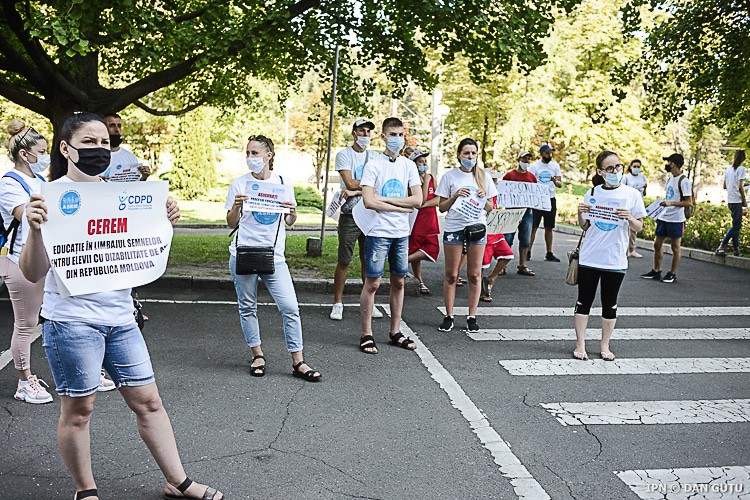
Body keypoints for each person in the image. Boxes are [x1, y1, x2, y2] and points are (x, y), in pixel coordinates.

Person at [19, 112, 223, 500]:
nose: (99, 150)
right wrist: (34, 228)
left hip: (121, 319)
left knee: (149, 402)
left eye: (104, 143)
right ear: (66, 148)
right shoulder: (50, 197)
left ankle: (178, 482)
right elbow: (32, 273)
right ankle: (86, 490)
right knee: (79, 411)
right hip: (72, 322)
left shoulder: (120, 196)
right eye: (88, 143)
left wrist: (165, 218)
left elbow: (140, 249)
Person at [226, 134, 321, 382]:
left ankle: (298, 360)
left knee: (290, 307)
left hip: (274, 256)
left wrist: (293, 212)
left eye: (255, 153)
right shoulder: (239, 184)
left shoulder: (282, 183)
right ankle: (257, 354)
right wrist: (236, 206)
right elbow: (230, 222)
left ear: (269, 155)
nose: (250, 158)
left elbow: (289, 221)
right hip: (244, 253)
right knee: (247, 306)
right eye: (247, 153)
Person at [357, 117, 422, 354]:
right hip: (378, 232)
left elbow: (418, 200)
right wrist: (400, 207)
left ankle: (395, 331)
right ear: (383, 137)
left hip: (401, 233)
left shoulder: (409, 165)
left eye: (400, 134)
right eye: (392, 135)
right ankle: (366, 334)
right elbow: (368, 201)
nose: (397, 139)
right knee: (373, 282)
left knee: (399, 280)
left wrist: (384, 199)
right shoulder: (373, 164)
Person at [574, 151, 646, 361]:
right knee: (583, 302)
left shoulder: (631, 194)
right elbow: (585, 226)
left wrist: (629, 217)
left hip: (614, 258)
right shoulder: (593, 192)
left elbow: (639, 227)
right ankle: (580, 344)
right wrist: (580, 213)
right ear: (600, 172)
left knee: (610, 303)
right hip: (590, 256)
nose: (615, 171)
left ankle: (605, 345)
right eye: (610, 168)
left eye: (618, 167)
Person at [0, 119, 53, 404]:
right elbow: (28, 217)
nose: (44, 157)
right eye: (41, 151)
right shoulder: (9, 183)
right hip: (20, 260)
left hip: (45, 258)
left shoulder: (40, 181)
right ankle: (24, 382)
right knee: (26, 324)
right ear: (24, 154)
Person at [436, 138, 497, 333]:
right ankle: (449, 315)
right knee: (452, 274)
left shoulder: (483, 177)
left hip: (476, 227)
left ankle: (472, 315)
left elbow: (491, 207)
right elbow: (442, 207)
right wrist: (455, 196)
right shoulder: (449, 177)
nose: (470, 157)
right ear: (458, 155)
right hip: (454, 228)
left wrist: (482, 197)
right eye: (466, 153)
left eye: (473, 153)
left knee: (474, 274)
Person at [329, 119, 383, 321]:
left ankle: (369, 302)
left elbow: (378, 183)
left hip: (370, 212)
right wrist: (365, 186)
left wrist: (356, 190)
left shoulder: (375, 156)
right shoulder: (344, 155)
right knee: (344, 259)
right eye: (362, 131)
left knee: (368, 261)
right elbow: (349, 181)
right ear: (353, 133)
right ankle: (338, 303)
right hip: (349, 214)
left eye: (369, 132)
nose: (365, 135)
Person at [641, 153, 692, 283]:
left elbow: (688, 202)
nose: (667, 165)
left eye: (668, 162)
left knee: (675, 247)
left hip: (676, 219)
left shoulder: (684, 181)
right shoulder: (670, 179)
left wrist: (671, 203)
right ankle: (656, 271)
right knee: (657, 244)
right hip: (664, 217)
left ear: (673, 163)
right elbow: (669, 197)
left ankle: (672, 273)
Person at [407, 150, 440, 294]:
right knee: (415, 250)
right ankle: (419, 280)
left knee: (432, 249)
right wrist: (425, 182)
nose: (424, 164)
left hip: (430, 221)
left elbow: (439, 198)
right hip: (416, 222)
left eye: (425, 162)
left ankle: (401, 262)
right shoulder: (412, 180)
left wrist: (424, 205)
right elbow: (422, 198)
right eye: (420, 162)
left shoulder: (431, 177)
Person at [480, 171, 514, 302]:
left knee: (508, 255)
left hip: (496, 232)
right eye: (492, 180)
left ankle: (491, 279)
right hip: (485, 233)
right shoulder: (482, 193)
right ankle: (481, 289)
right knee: (483, 264)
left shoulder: (495, 195)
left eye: (495, 180)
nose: (495, 182)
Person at [502, 151, 537, 277]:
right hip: (511, 211)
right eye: (524, 158)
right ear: (519, 159)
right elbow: (503, 192)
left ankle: (522, 265)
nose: (527, 161)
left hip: (527, 212)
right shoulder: (509, 175)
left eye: (529, 159)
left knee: (525, 239)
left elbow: (535, 195)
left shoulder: (532, 177)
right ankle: (502, 265)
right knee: (508, 238)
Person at [529, 144, 562, 262]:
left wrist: (554, 180)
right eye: (547, 153)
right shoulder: (534, 166)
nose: (549, 155)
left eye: (550, 153)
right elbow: (530, 182)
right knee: (533, 226)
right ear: (541, 154)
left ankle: (549, 252)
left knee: (549, 227)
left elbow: (560, 184)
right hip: (537, 199)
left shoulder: (555, 166)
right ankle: (527, 251)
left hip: (550, 198)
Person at [102, 113, 151, 181]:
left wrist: (144, 177)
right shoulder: (93, 156)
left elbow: (134, 187)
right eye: (112, 125)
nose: (117, 130)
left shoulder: (131, 157)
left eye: (119, 126)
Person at [716, 150, 746, 256]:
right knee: (736, 226)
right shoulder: (742, 169)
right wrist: (744, 200)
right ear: (744, 159)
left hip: (730, 200)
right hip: (737, 201)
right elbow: (739, 186)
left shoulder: (728, 169)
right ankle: (721, 246)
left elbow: (725, 186)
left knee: (736, 225)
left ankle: (736, 249)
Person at [622, 159, 648, 258]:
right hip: (628, 205)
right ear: (631, 167)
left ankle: (631, 249)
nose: (636, 168)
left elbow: (645, 192)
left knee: (635, 229)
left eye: (638, 167)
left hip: (638, 205)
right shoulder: (626, 178)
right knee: (626, 227)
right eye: (635, 166)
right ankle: (625, 248)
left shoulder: (643, 178)